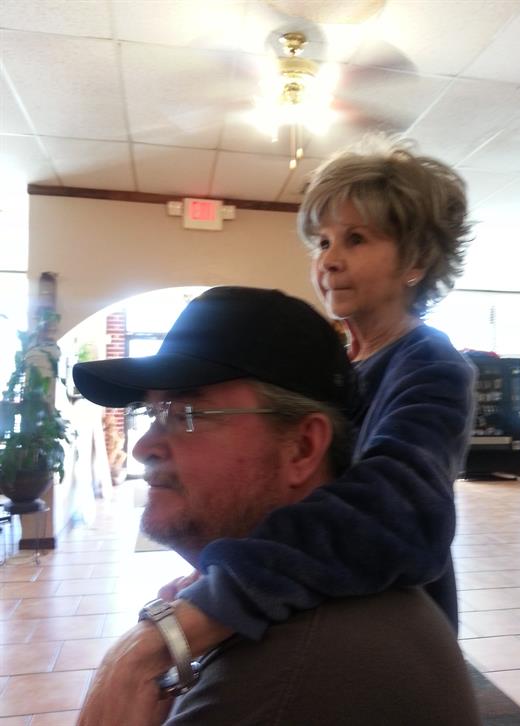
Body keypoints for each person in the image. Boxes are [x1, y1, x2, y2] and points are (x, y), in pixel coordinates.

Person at [74, 135, 476, 725]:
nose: (329, 260)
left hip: (382, 607)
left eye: (356, 239)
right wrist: (233, 566)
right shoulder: (347, 360)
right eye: (323, 241)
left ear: (415, 262)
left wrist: (214, 603)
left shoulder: (431, 364)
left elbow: (403, 512)